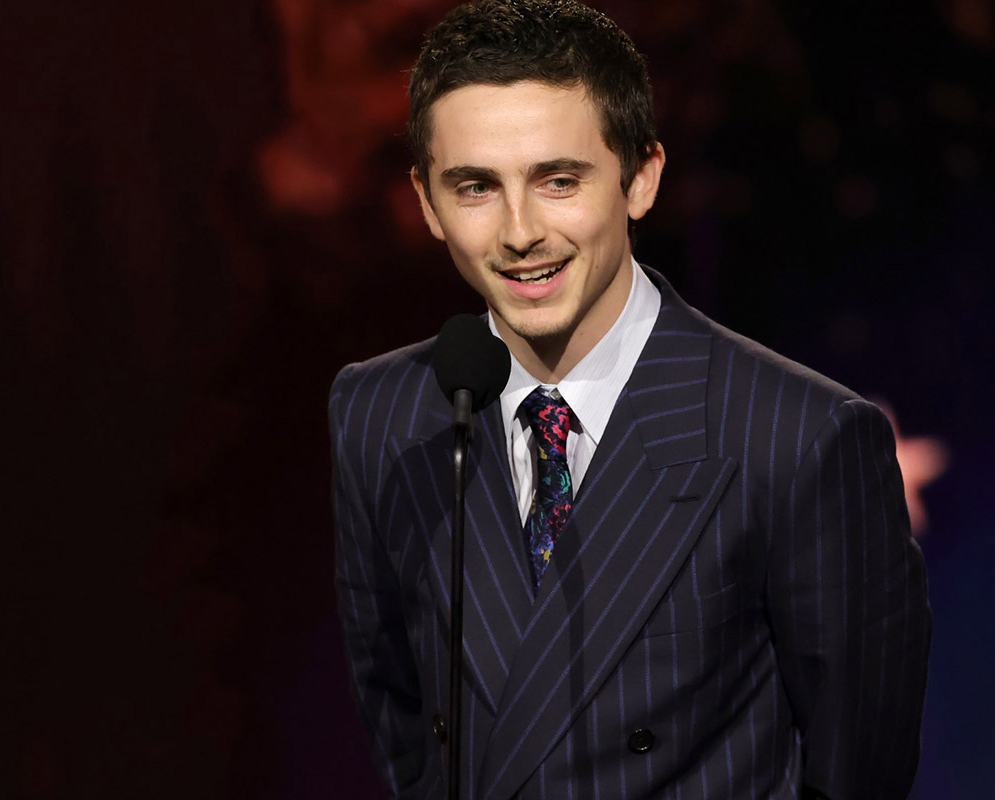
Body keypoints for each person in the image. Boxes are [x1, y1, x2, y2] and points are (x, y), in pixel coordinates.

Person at [328, 1, 931, 798]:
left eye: (558, 181)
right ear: (427, 202)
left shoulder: (800, 437)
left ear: (641, 178)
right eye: (475, 187)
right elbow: (403, 727)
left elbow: (859, 771)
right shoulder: (379, 414)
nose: (519, 232)